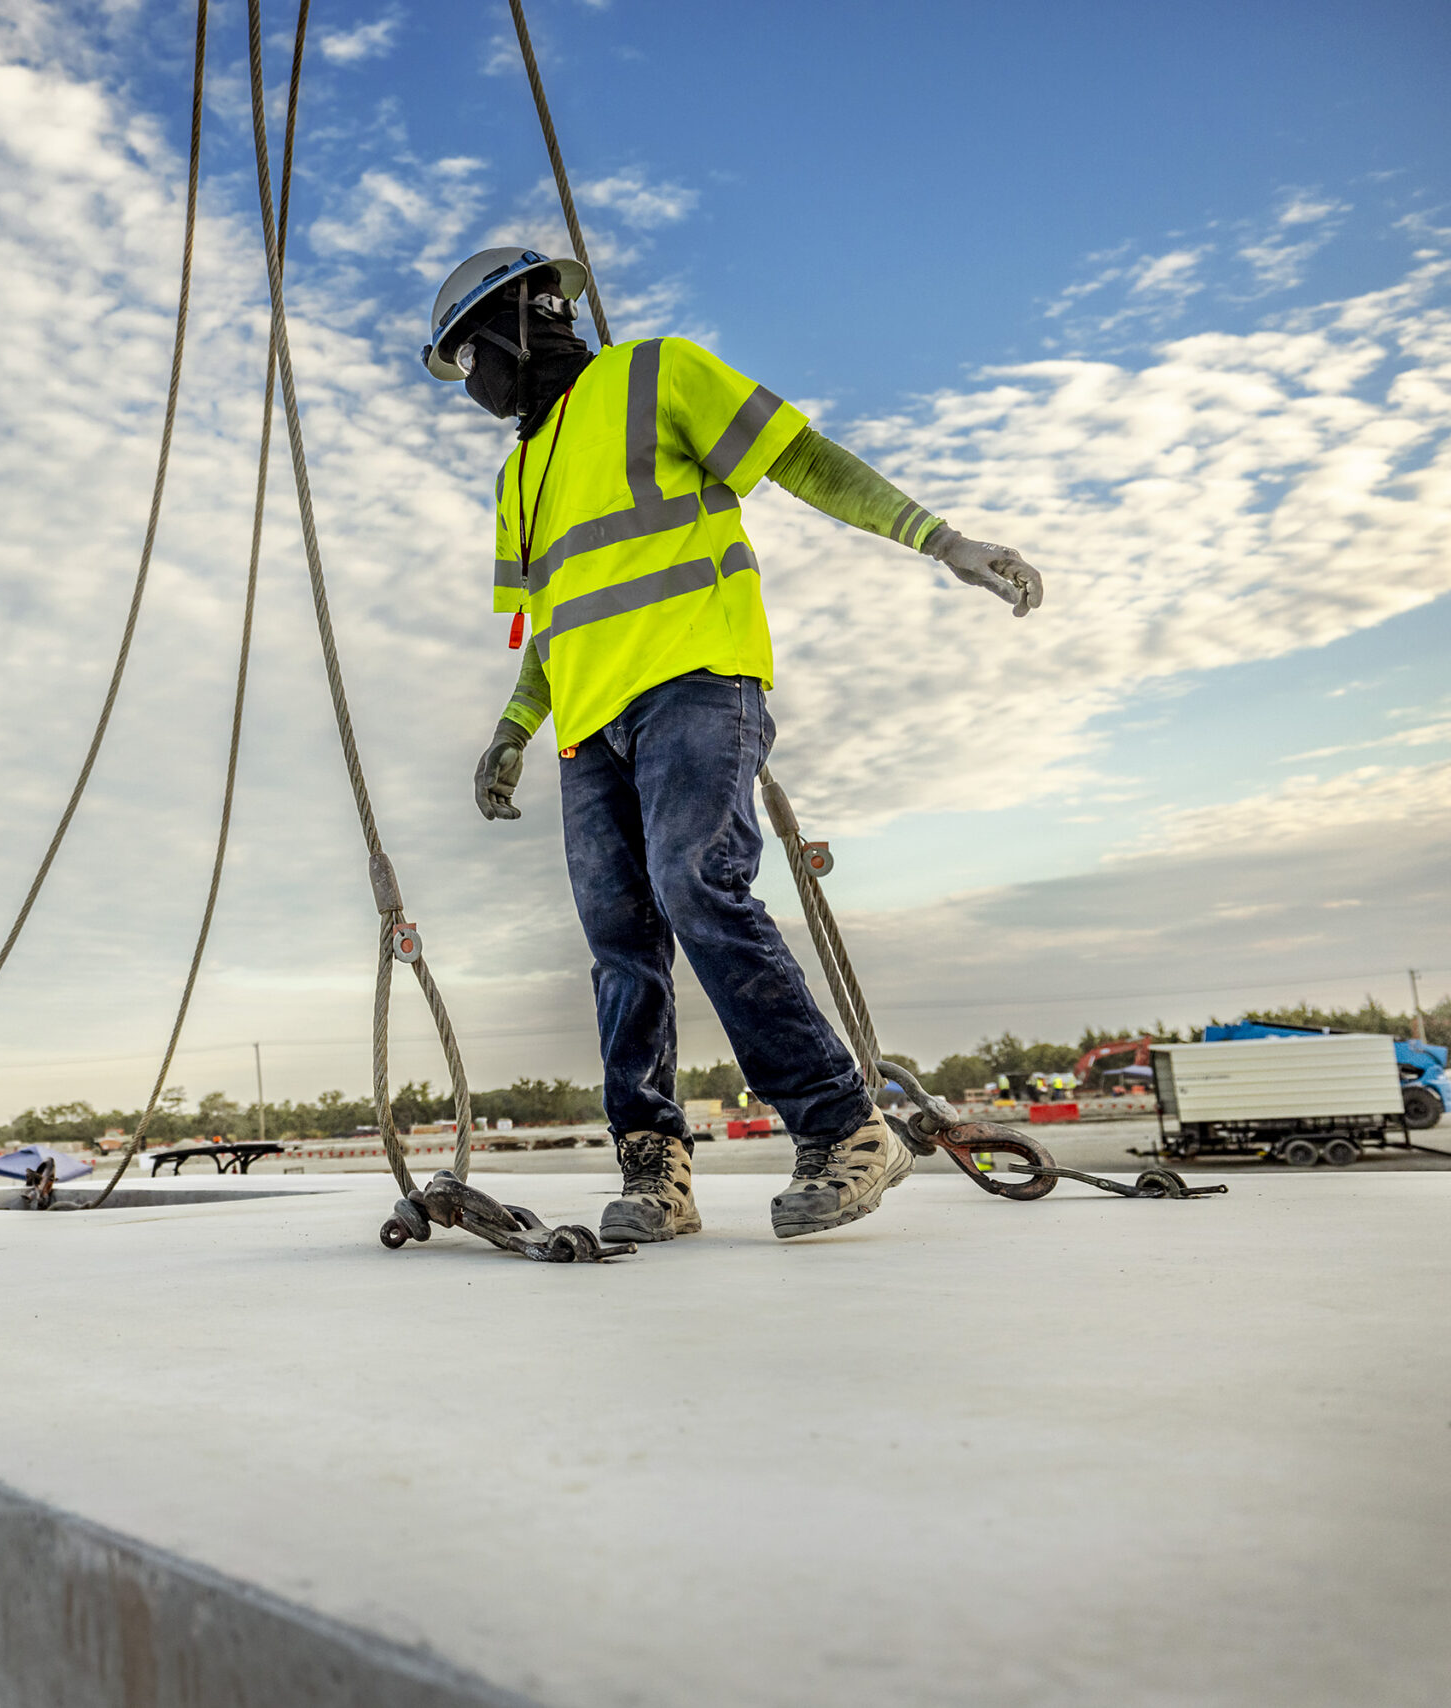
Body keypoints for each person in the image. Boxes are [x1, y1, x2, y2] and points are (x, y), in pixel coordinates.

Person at [421, 247, 1044, 1243]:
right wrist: (513, 728)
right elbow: (553, 619)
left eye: (466, 360)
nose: (470, 387)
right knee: (620, 949)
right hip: (588, 729)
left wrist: (941, 540)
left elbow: (798, 456)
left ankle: (844, 1128)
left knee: (694, 880)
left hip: (696, 682)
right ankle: (655, 1170)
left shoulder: (654, 373)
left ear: (514, 327)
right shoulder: (519, 474)